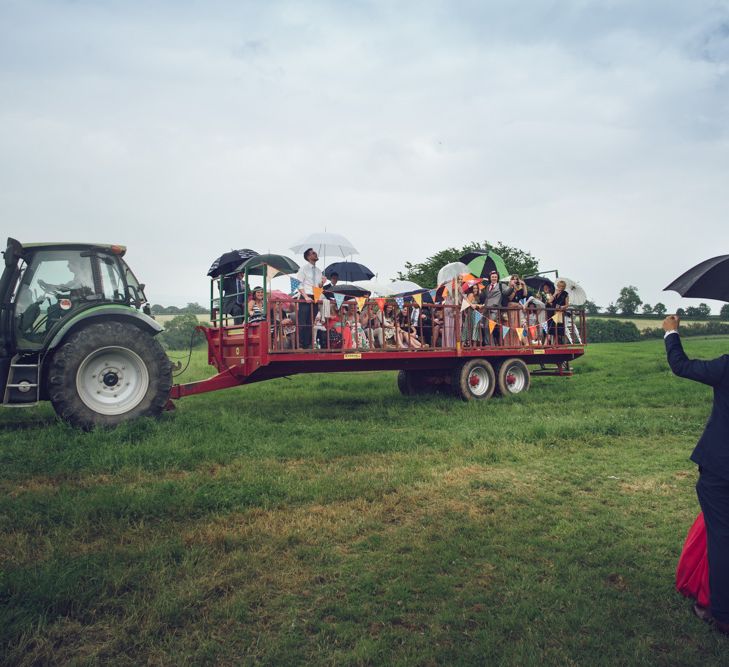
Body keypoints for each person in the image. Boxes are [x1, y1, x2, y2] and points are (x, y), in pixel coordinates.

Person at [663, 314, 729, 636]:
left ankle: (721, 614)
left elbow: (682, 366)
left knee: (722, 538)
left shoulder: (726, 366)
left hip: (721, 469)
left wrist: (672, 333)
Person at [295, 248, 324, 349]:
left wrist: (322, 283)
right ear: (308, 257)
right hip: (305, 295)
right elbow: (298, 284)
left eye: (315, 253)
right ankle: (300, 344)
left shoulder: (319, 271)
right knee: (302, 322)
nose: (316, 254)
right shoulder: (303, 269)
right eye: (313, 253)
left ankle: (307, 344)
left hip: (315, 296)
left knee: (311, 322)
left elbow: (319, 287)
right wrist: (306, 296)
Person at [479, 270, 513, 345]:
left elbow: (507, 292)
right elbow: (486, 298)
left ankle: (489, 345)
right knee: (484, 327)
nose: (494, 278)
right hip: (486, 309)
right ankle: (490, 344)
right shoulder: (487, 287)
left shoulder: (501, 285)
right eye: (492, 277)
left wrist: (511, 286)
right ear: (490, 278)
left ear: (497, 278)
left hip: (495, 310)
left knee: (489, 326)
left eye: (495, 277)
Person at [548, 280, 569, 345]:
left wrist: (563, 307)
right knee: (552, 329)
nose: (561, 287)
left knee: (558, 329)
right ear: (557, 286)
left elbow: (567, 305)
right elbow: (549, 301)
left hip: (560, 313)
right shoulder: (554, 292)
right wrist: (555, 293)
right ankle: (553, 343)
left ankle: (558, 343)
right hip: (552, 312)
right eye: (559, 286)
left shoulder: (565, 294)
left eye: (562, 286)